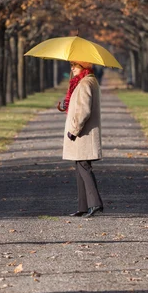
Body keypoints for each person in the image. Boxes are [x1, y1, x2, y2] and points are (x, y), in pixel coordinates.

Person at [60, 60, 103, 218]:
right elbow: (78, 105)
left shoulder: (85, 83)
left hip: (83, 133)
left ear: (83, 66)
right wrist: (67, 105)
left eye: (75, 66)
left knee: (84, 167)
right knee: (80, 167)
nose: (72, 68)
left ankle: (95, 203)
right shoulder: (86, 81)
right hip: (82, 133)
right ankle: (83, 206)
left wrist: (74, 130)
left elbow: (84, 110)